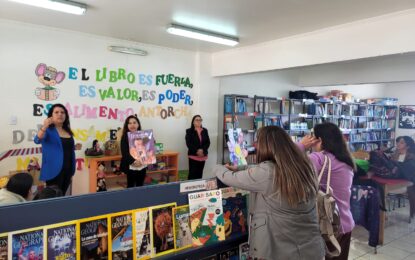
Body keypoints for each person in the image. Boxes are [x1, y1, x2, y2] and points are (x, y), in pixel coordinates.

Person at [214, 126, 324, 260]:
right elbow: (263, 171)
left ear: (266, 146)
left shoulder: (267, 173)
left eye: (258, 142)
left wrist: (217, 167)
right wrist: (241, 168)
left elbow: (229, 177)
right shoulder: (305, 166)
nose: (256, 146)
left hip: (281, 252)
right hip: (311, 249)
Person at [300, 122, 355, 260]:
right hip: (346, 223)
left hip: (327, 226)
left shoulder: (319, 158)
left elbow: (287, 165)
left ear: (320, 140)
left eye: (313, 138)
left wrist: (301, 146)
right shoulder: (346, 159)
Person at [34, 103, 77, 195]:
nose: (60, 114)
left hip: (68, 169)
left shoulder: (67, 130)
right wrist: (45, 126)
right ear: (51, 116)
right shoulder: (48, 130)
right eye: (56, 112)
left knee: (62, 195)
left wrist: (74, 147)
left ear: (66, 116)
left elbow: (63, 148)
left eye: (62, 112)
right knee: (53, 197)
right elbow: (37, 140)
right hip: (53, 170)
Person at [120, 115, 147, 188]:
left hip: (142, 165)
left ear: (138, 124)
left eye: (134, 122)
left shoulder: (144, 135)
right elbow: (124, 153)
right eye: (130, 123)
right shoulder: (125, 137)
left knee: (140, 185)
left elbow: (148, 148)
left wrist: (151, 141)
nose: (132, 125)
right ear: (127, 125)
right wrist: (134, 162)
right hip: (131, 166)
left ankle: (140, 199)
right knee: (131, 186)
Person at [185, 115, 210, 180]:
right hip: (193, 156)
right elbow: (189, 144)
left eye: (200, 120)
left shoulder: (205, 130)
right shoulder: (189, 131)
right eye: (197, 120)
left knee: (199, 174)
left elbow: (208, 142)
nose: (199, 121)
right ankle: (190, 189)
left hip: (203, 156)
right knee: (192, 175)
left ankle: (198, 189)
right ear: (193, 122)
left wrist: (202, 150)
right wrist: (197, 151)